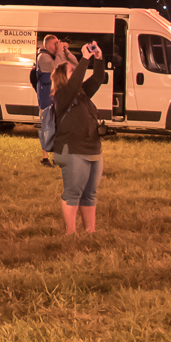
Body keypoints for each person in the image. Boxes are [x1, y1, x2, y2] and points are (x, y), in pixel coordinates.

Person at [51, 42, 106, 235]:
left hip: (92, 149)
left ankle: (90, 231)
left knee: (90, 194)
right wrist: (84, 59)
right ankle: (70, 232)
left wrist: (98, 58)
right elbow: (74, 83)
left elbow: (98, 78)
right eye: (72, 71)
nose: (77, 73)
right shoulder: (62, 95)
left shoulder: (82, 94)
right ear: (62, 78)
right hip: (72, 150)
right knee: (73, 193)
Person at [30, 34, 68, 166]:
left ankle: (56, 157)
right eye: (54, 43)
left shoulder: (50, 56)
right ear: (47, 45)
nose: (56, 46)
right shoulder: (43, 57)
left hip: (54, 99)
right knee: (47, 128)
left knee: (56, 128)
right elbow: (56, 67)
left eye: (58, 43)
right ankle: (45, 159)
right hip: (46, 100)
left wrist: (64, 52)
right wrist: (59, 52)